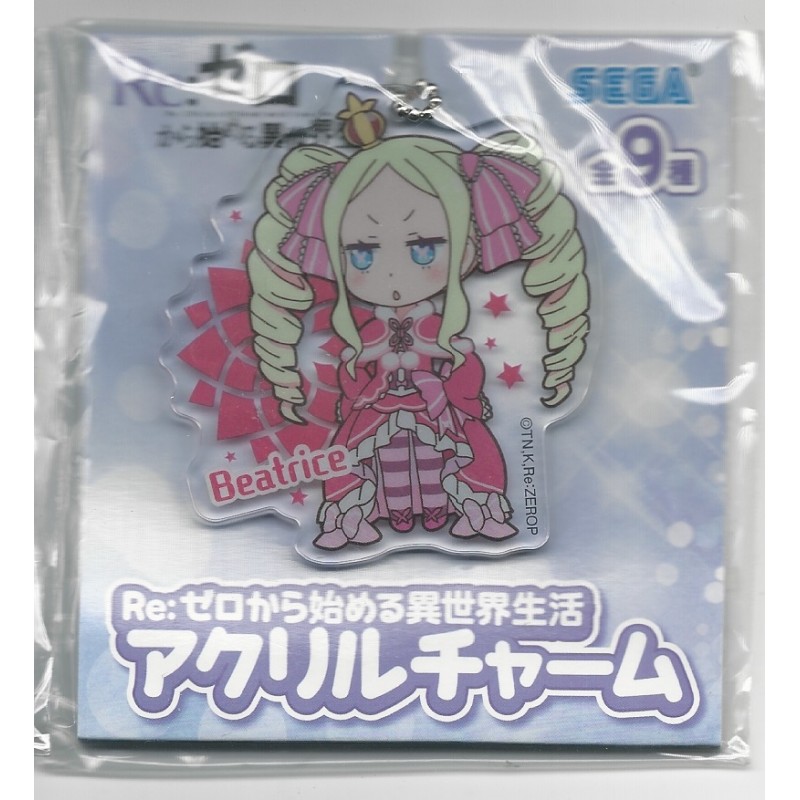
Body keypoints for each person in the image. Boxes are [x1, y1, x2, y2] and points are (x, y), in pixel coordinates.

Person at [246, 93, 589, 550]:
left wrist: (450, 383)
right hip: (377, 415)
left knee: (463, 454)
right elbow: (354, 382)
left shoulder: (441, 334)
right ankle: (356, 517)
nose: (392, 275)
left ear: (469, 245)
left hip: (440, 412)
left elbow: (465, 381)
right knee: (358, 461)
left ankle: (472, 511)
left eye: (424, 248)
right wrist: (363, 382)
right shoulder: (368, 336)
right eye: (362, 253)